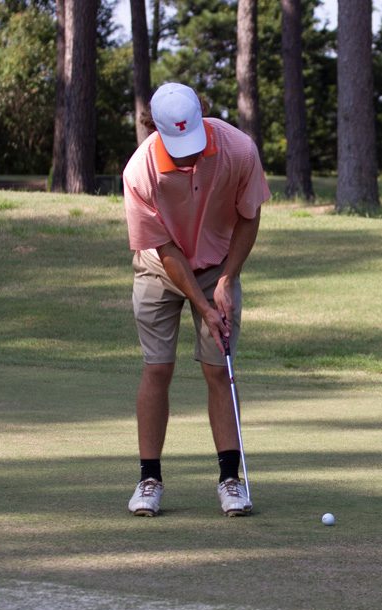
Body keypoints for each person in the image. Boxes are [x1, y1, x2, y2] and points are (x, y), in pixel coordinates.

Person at [122, 82, 271, 517]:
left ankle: (230, 479)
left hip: (218, 264)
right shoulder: (140, 172)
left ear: (202, 112)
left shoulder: (238, 150)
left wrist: (227, 279)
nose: (188, 154)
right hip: (158, 266)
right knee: (158, 367)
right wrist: (202, 307)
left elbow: (250, 216)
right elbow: (166, 250)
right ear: (155, 128)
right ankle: (149, 479)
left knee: (217, 369)